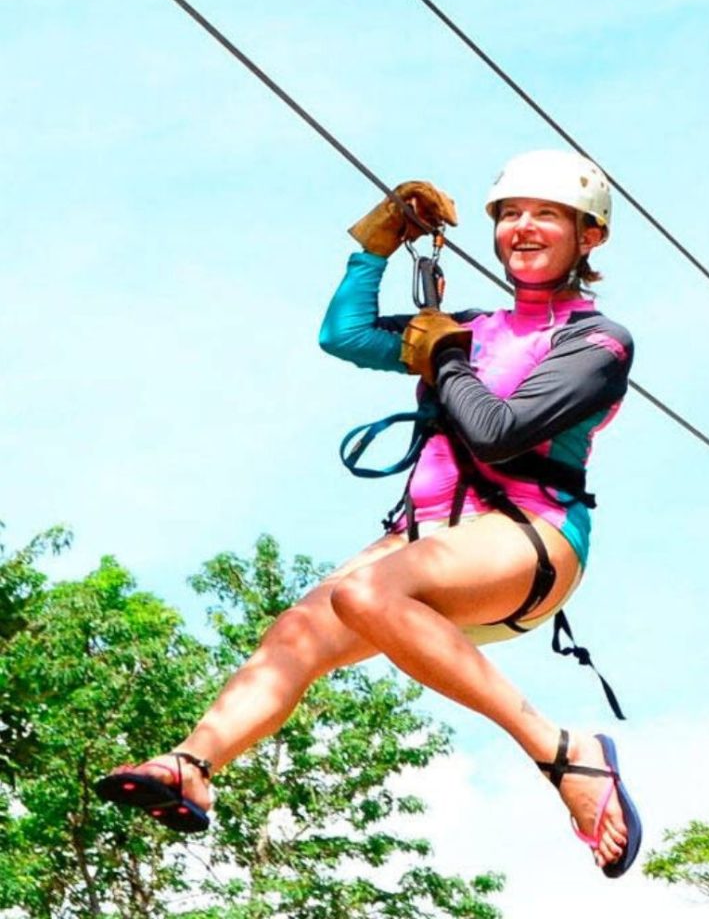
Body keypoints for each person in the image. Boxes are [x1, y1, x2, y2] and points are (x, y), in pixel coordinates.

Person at [94, 149, 641, 876]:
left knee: (362, 592)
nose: (523, 227)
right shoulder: (473, 326)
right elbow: (345, 336)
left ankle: (563, 753)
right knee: (297, 632)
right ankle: (194, 764)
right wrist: (372, 249)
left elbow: (498, 431)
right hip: (427, 535)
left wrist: (446, 359)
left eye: (546, 214)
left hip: (529, 533)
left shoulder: (595, 342)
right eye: (510, 214)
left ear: (589, 236)